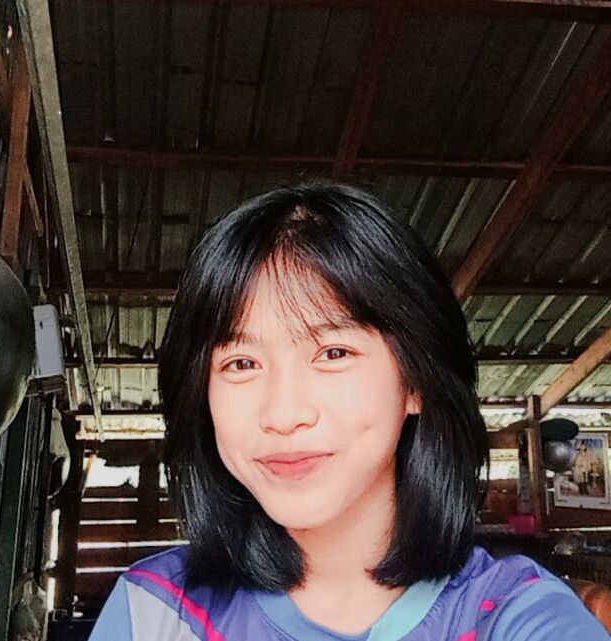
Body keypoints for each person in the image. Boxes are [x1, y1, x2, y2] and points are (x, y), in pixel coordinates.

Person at [88, 183, 609, 640]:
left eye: (333, 353)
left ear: (416, 381)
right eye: (241, 363)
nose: (283, 414)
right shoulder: (153, 614)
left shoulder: (515, 614)